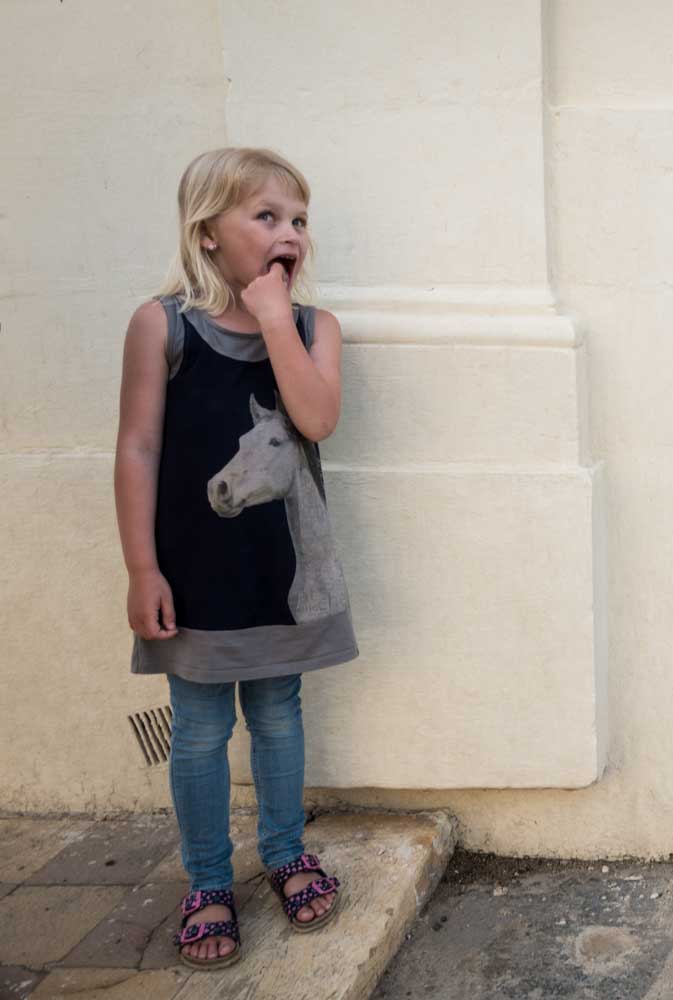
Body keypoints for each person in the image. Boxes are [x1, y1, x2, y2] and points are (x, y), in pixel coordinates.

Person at [114, 148, 358, 969]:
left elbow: (316, 419)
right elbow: (139, 447)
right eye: (266, 216)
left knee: (279, 710)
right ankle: (209, 881)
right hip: (193, 571)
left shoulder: (316, 327)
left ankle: (285, 855)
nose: (289, 232)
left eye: (298, 220)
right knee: (198, 728)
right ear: (207, 232)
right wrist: (142, 568)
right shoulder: (163, 324)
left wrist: (278, 316)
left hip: (275, 570)